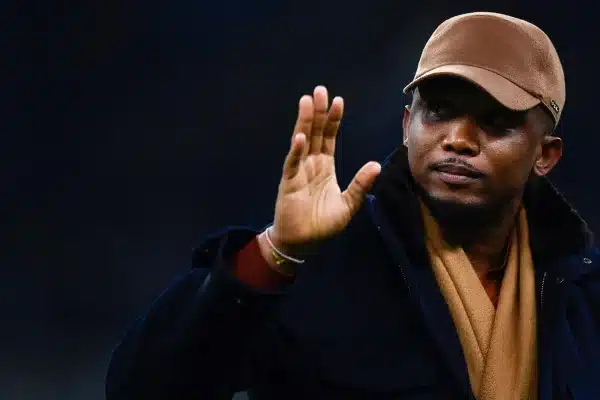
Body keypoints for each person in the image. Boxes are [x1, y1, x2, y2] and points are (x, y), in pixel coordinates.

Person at [105, 12, 600, 400]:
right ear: (406, 125)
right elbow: (143, 390)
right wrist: (277, 253)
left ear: (545, 155)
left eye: (494, 122)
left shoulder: (582, 295)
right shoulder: (320, 264)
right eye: (439, 112)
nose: (459, 139)